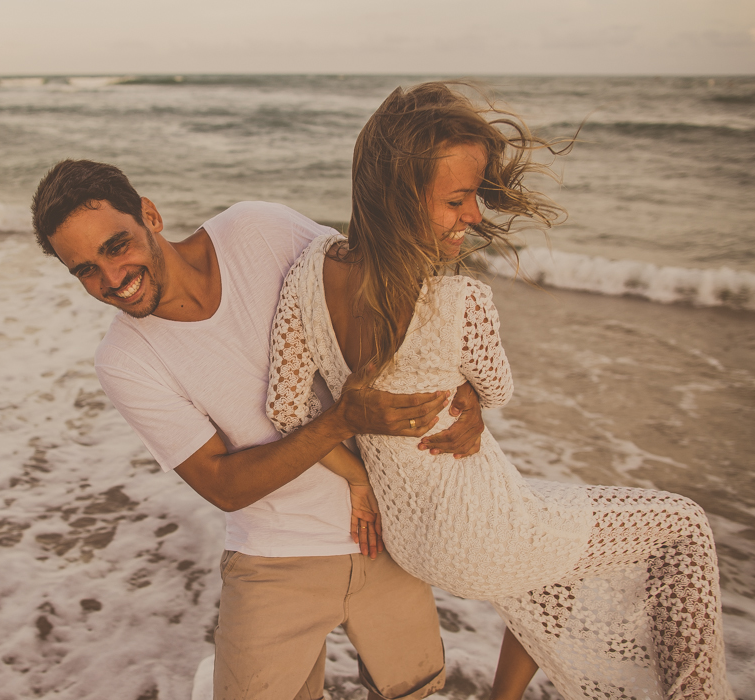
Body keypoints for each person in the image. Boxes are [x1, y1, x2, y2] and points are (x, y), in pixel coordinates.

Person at [266, 82, 733, 700]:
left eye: (476, 197)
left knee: (553, 560)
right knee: (683, 526)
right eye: (458, 199)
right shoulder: (460, 303)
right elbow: (498, 387)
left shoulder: (309, 273)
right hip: (483, 530)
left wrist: (358, 479)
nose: (475, 217)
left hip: (413, 538)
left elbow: (284, 412)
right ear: (397, 198)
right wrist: (471, 393)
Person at [30, 160, 489, 700]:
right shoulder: (125, 361)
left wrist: (469, 390)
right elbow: (222, 485)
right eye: (84, 269)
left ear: (149, 216)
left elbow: (380, 290)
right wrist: (341, 421)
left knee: (418, 690)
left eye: (116, 246)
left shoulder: (258, 230)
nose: (111, 279)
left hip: (392, 530)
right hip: (275, 555)